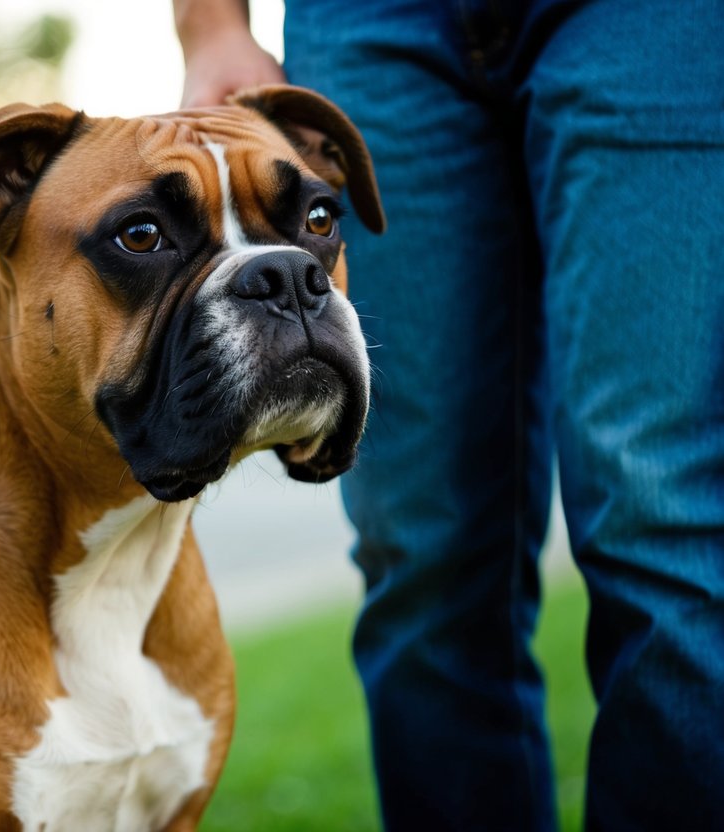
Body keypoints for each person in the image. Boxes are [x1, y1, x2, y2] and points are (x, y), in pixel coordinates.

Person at [174, 0, 724, 829]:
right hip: (370, 24)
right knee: (422, 547)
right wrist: (210, 25)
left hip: (654, 21)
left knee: (661, 512)